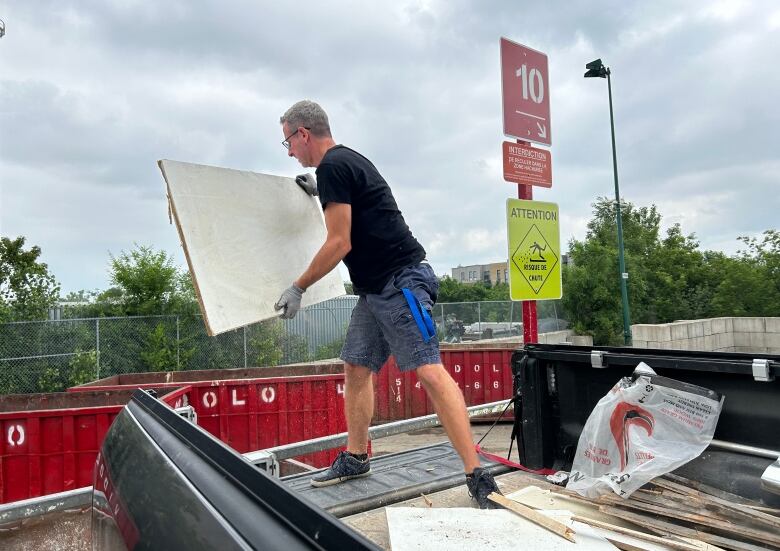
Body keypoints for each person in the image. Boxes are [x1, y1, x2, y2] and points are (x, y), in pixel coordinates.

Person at [274, 100, 500, 508]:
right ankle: (357, 457)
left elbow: (340, 242)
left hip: (400, 284)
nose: (289, 151)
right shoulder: (340, 167)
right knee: (356, 366)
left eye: (288, 140)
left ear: (303, 134)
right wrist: (320, 193)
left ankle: (476, 472)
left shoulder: (334, 167)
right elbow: (354, 212)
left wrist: (298, 286)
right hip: (375, 288)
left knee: (429, 371)